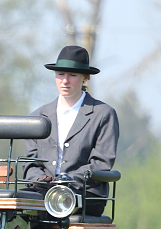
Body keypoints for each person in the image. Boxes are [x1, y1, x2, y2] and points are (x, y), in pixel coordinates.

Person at [23, 45, 118, 217]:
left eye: (72, 75)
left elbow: (101, 163)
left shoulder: (103, 114)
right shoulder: (38, 117)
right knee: (13, 205)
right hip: (43, 191)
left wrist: (65, 182)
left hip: (86, 194)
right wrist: (40, 179)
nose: (65, 81)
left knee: (47, 209)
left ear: (85, 78)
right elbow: (30, 163)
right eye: (60, 74)